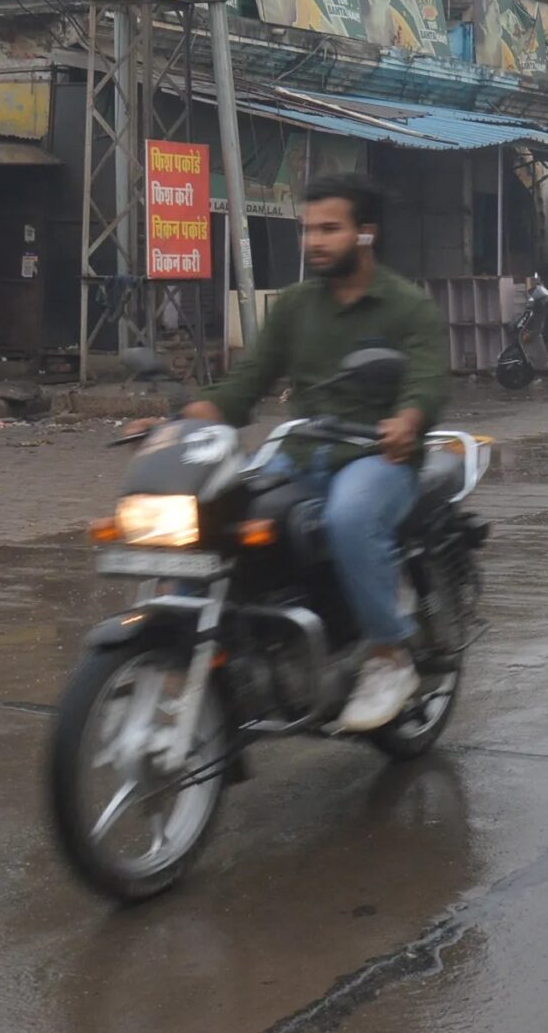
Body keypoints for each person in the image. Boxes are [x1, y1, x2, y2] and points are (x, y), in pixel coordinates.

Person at [188, 172, 449, 733]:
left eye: (330, 229)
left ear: (366, 234)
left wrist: (408, 420)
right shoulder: (296, 306)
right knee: (211, 512)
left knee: (350, 517)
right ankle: (185, 652)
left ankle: (389, 656)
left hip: (379, 457)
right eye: (308, 230)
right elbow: (247, 384)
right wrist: (184, 421)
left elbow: (428, 383)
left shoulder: (407, 306)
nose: (314, 242)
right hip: (304, 453)